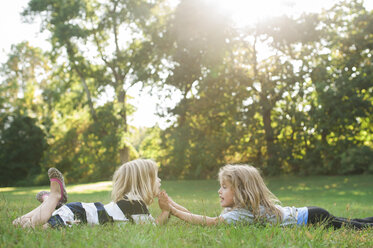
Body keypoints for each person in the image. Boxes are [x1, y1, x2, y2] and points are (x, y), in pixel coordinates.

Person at [159, 164, 373, 229]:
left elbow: (209, 222)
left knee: (356, 227)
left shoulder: (242, 214)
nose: (219, 191)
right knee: (354, 222)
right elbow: (196, 215)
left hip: (312, 220)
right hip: (310, 213)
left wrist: (173, 211)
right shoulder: (243, 209)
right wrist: (171, 206)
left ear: (241, 190)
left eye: (224, 187)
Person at [13, 159, 170, 228]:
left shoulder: (131, 202)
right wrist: (166, 211)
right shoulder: (135, 204)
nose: (159, 180)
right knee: (34, 227)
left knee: (18, 223)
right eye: (156, 176)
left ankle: (52, 203)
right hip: (78, 215)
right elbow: (152, 228)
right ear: (144, 182)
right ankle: (54, 196)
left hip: (77, 211)